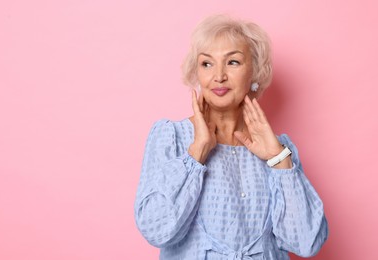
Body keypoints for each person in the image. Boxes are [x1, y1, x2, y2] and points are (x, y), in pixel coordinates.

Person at [134, 14, 328, 260]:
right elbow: (155, 229)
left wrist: (279, 159)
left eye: (233, 62)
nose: (219, 76)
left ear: (254, 72)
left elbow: (306, 242)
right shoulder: (171, 137)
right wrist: (197, 153)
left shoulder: (280, 149)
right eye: (207, 64)